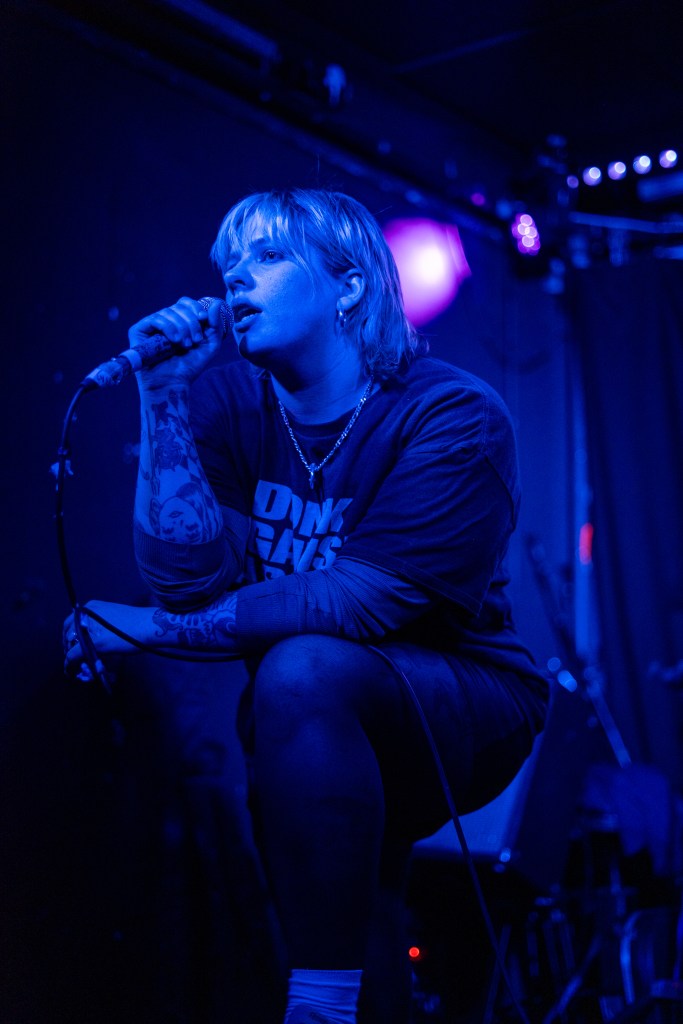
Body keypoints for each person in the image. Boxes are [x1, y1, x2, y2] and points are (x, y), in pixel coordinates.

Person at [64, 188, 549, 1024]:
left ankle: (315, 1010)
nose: (234, 281)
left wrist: (145, 629)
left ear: (348, 284)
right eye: (228, 264)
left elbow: (360, 602)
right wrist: (164, 394)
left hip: (465, 701)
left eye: (266, 257)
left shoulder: (452, 412)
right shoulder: (224, 403)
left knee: (300, 666)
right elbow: (188, 582)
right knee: (358, 906)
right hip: (314, 713)